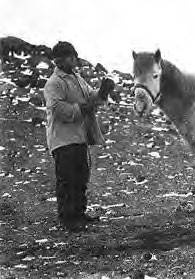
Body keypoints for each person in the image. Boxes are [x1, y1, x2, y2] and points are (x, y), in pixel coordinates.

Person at [44, 41, 115, 232]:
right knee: (67, 178)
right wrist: (83, 108)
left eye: (70, 56)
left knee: (81, 176)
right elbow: (58, 109)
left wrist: (103, 91)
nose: (69, 60)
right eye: (65, 57)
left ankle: (79, 214)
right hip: (63, 139)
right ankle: (68, 218)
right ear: (57, 60)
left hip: (79, 137)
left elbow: (90, 97)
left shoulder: (76, 78)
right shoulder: (54, 83)